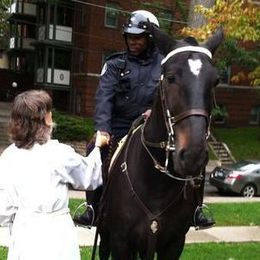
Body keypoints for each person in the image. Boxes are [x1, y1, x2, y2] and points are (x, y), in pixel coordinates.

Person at [73, 10, 215, 230]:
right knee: (94, 146)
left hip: (154, 125)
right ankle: (93, 207)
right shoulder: (115, 65)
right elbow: (104, 98)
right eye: (129, 36)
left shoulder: (166, 64)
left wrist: (152, 112)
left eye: (138, 37)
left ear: (151, 38)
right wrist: (103, 128)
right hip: (120, 128)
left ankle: (197, 209)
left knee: (195, 150)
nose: (133, 41)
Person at [0, 90, 108, 260]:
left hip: (24, 233)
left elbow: (3, 210)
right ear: (45, 119)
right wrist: (97, 147)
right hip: (57, 234)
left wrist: (21, 222)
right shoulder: (59, 153)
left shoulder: (8, 156)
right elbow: (91, 176)